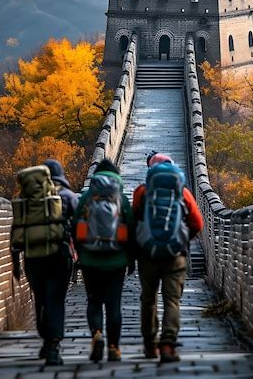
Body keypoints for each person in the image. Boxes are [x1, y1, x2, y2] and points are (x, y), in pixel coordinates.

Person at [133, 153, 203, 363]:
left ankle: (149, 345)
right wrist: (181, 240)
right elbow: (197, 223)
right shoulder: (183, 192)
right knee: (172, 300)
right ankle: (167, 344)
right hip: (176, 255)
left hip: (148, 255)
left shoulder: (142, 192)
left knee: (148, 298)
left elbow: (133, 219)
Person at [11, 159, 78, 366]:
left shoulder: (28, 198)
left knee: (40, 300)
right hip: (60, 257)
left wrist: (15, 263)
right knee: (55, 300)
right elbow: (78, 227)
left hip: (33, 258)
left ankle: (45, 340)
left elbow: (16, 230)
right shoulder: (67, 196)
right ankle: (53, 346)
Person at [73, 158, 135, 362]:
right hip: (117, 261)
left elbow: (75, 227)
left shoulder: (87, 197)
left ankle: (97, 333)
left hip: (90, 261)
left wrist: (80, 254)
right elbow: (132, 230)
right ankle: (114, 348)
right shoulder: (121, 199)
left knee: (94, 301)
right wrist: (131, 259)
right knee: (113, 304)